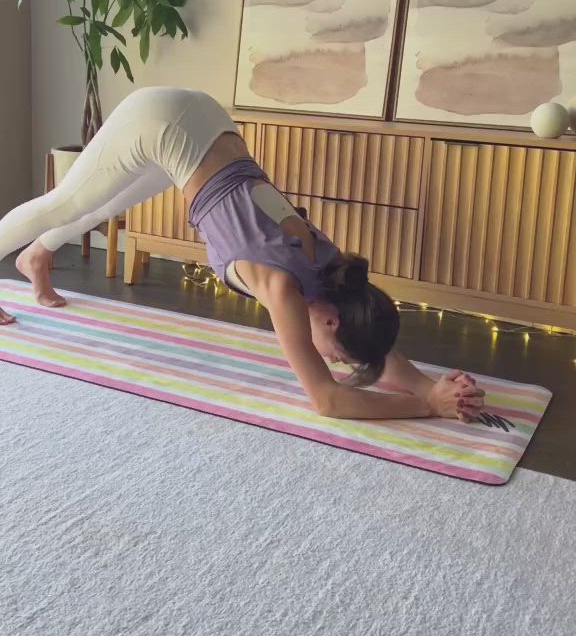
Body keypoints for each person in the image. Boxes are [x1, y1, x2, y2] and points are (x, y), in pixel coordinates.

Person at [0, 87, 485, 423]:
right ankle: (32, 249)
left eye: (339, 363)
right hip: (166, 123)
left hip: (203, 123)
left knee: (109, 198)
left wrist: (429, 386)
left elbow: (368, 335)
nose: (333, 363)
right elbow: (329, 401)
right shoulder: (284, 289)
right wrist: (427, 407)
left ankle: (37, 257)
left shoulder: (339, 275)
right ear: (332, 323)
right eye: (337, 357)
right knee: (64, 201)